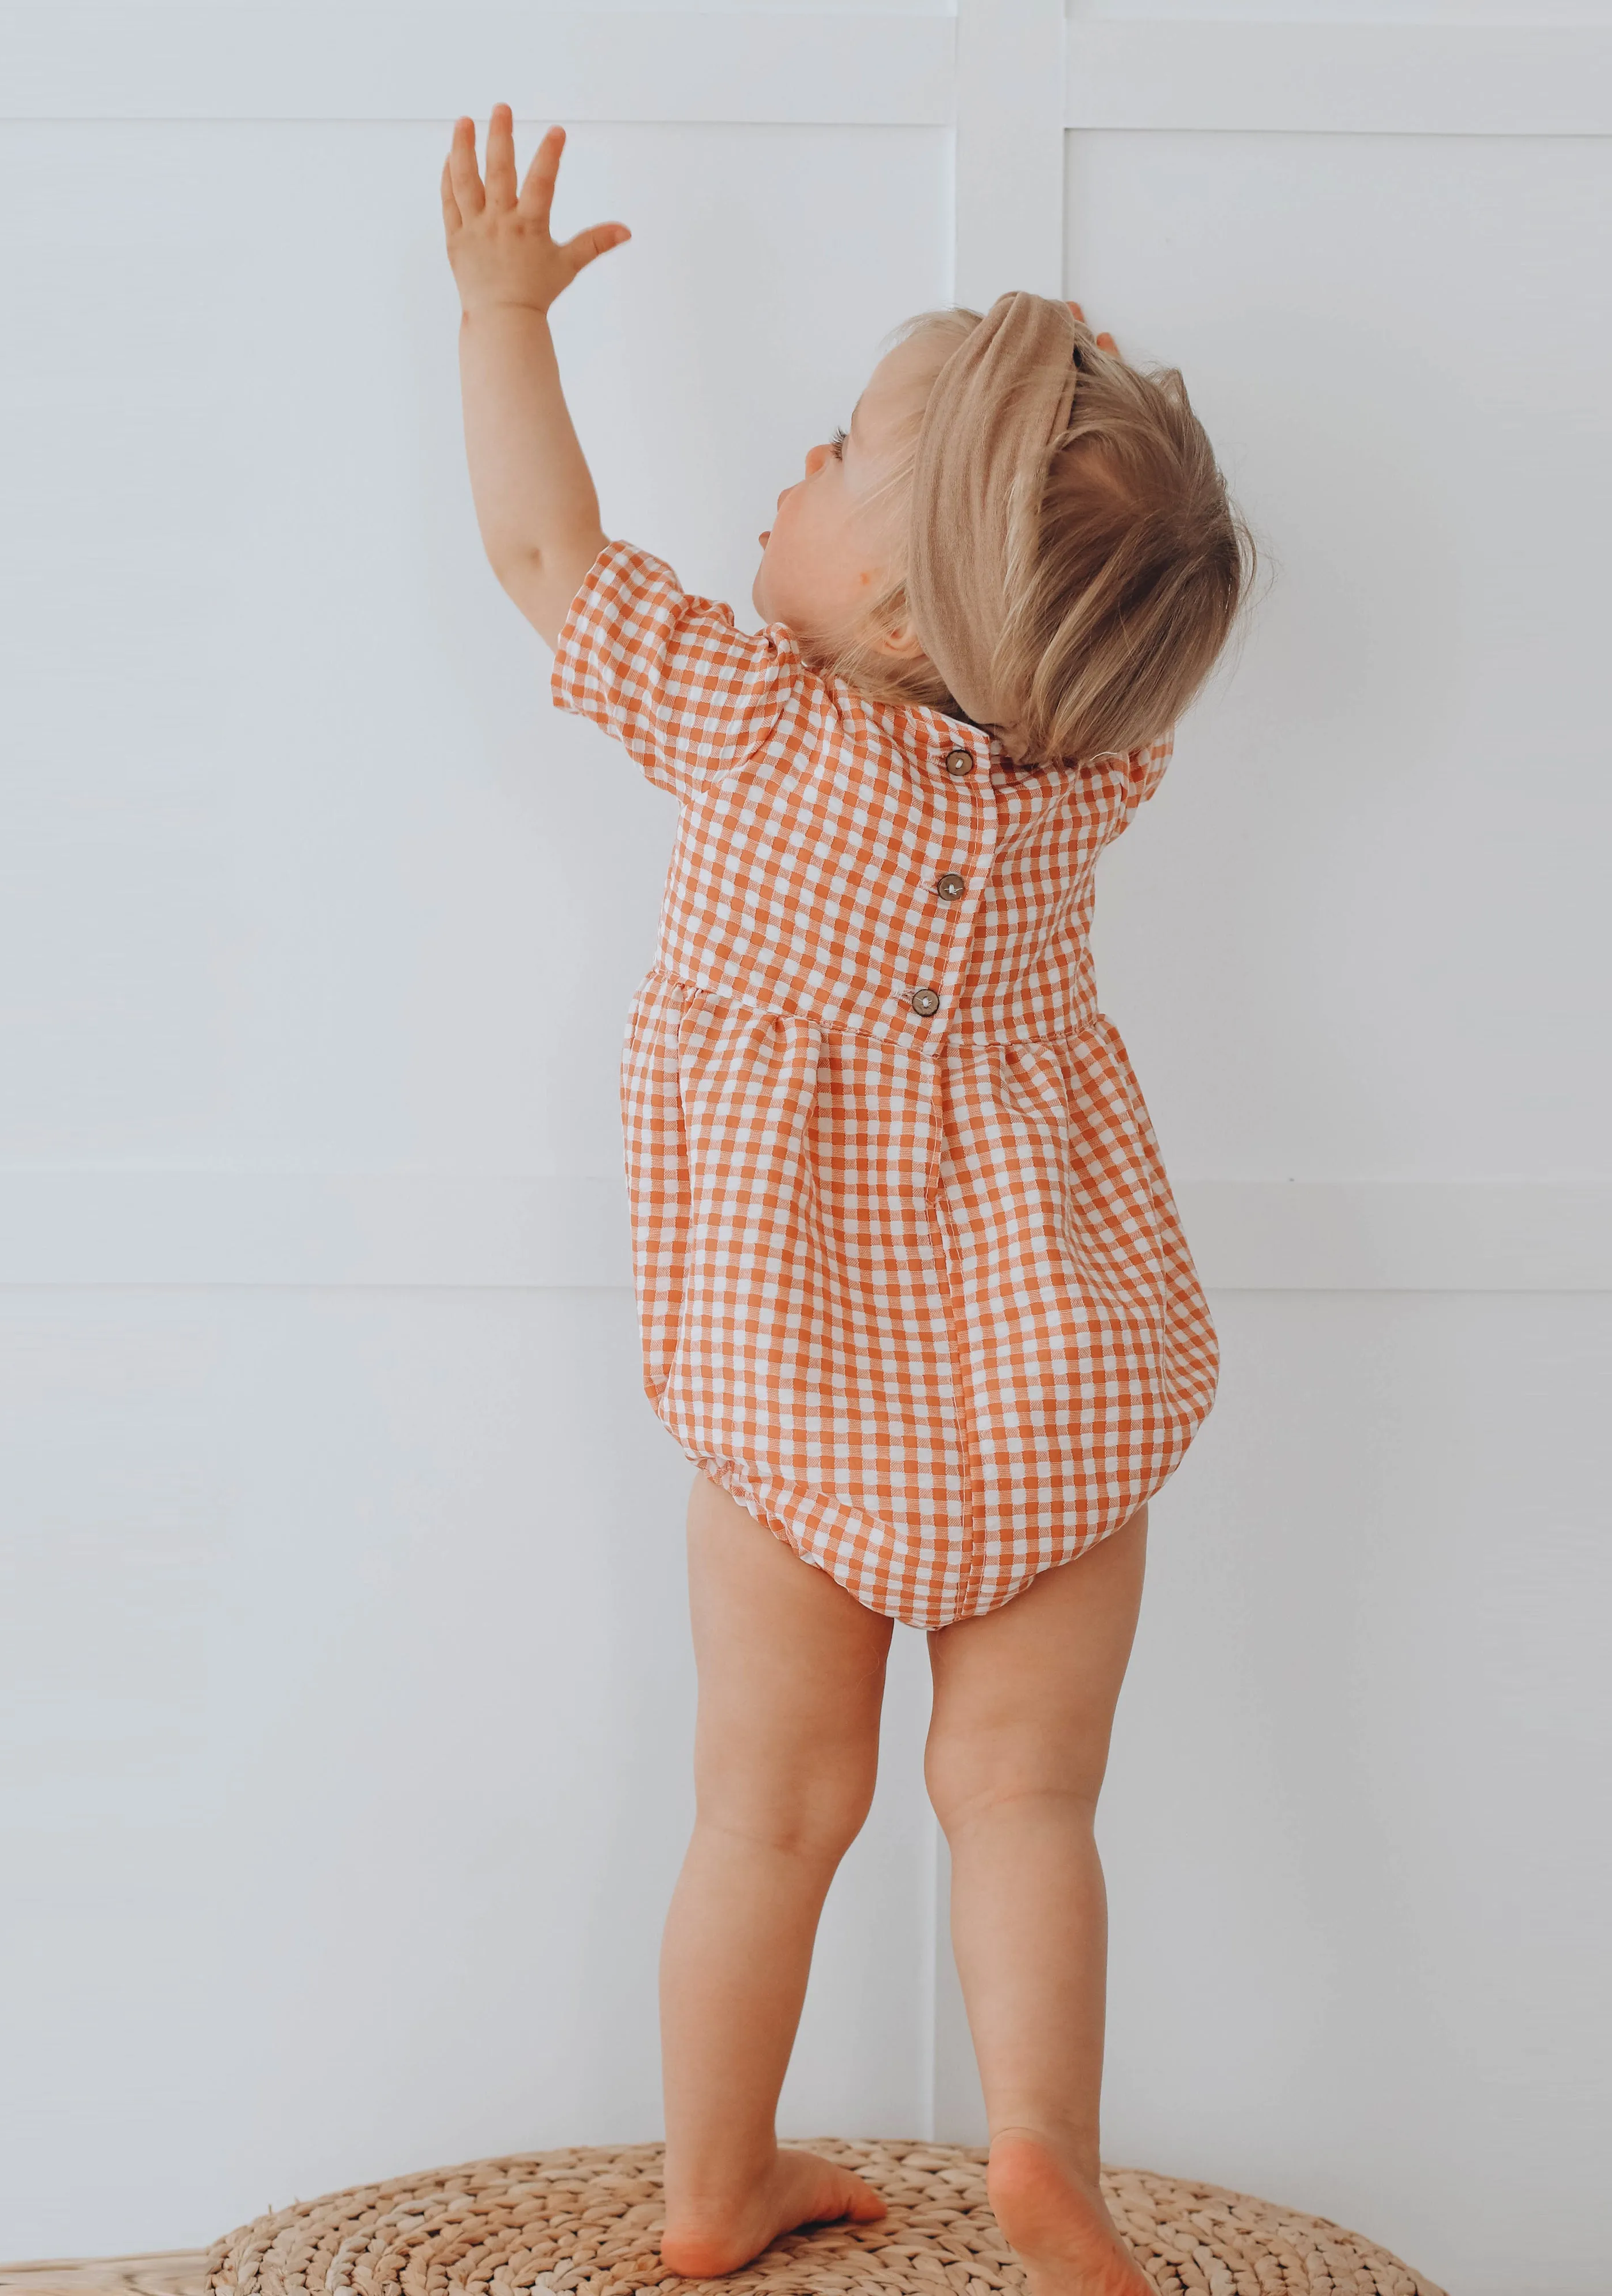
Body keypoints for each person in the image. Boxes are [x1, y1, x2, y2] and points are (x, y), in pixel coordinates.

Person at [441, 105, 1255, 2296]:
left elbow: (542, 552)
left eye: (829, 452)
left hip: (796, 1397)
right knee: (1027, 1804)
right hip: (1054, 1380)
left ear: (896, 591)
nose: (784, 478)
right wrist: (1044, 428)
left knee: (766, 1817)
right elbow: (1092, 584)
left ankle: (714, 2193)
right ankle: (1049, 2172)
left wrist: (501, 314)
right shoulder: (1084, 779)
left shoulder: (745, 720)